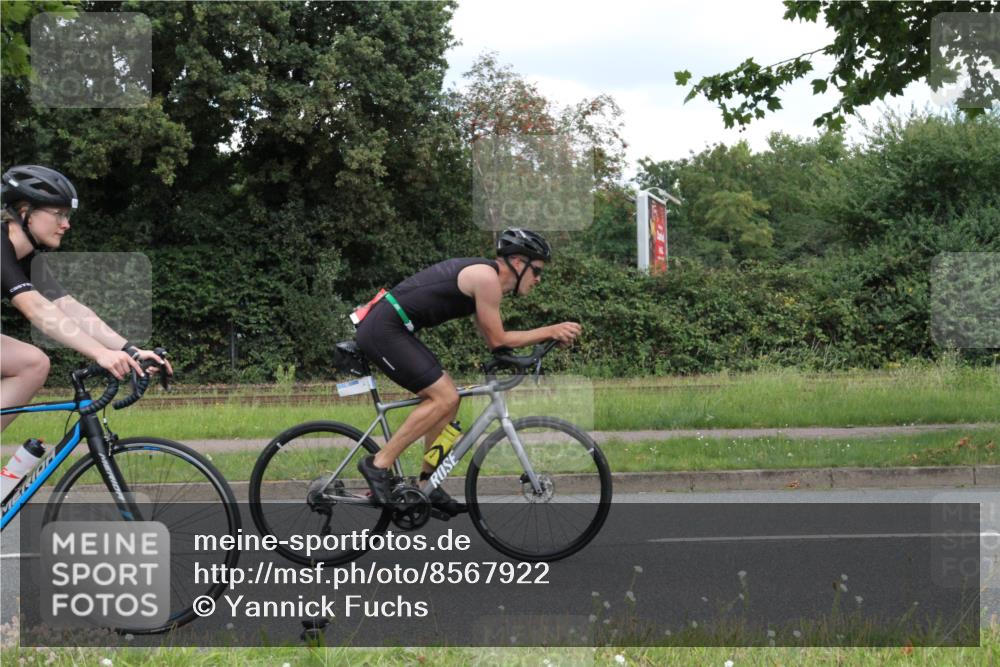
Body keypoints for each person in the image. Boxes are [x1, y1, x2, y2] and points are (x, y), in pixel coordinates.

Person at [354, 227, 581, 513]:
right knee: (444, 397)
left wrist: (528, 351)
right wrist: (551, 330)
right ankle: (377, 464)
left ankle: (426, 484)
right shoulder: (487, 279)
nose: (538, 279)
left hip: (395, 328)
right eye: (536, 271)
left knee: (449, 401)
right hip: (384, 330)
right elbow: (499, 338)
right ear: (519, 263)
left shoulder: (487, 281)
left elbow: (495, 344)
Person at [1, 164, 171, 431]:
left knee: (33, 364)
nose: (66, 224)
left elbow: (69, 308)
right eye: (58, 214)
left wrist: (129, 350)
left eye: (68, 216)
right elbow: (35, 308)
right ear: (26, 212)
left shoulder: (26, 259)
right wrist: (99, 353)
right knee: (32, 361)